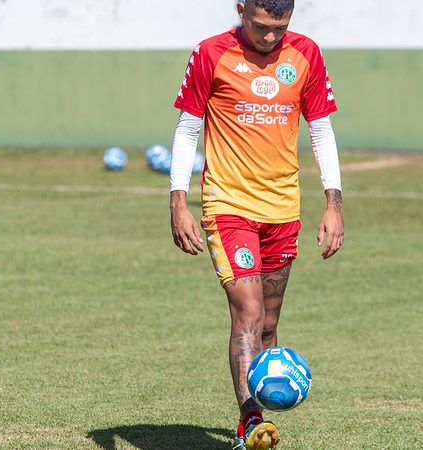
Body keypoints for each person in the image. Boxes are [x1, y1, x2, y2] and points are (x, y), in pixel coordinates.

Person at [168, 0, 343, 448]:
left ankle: (262, 407)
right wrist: (178, 201)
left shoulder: (306, 53)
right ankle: (250, 420)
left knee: (268, 322)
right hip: (228, 205)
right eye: (261, 26)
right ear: (241, 9)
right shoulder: (211, 53)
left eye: (279, 27)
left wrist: (333, 203)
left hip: (282, 209)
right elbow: (189, 128)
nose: (270, 37)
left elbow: (320, 128)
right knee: (247, 311)